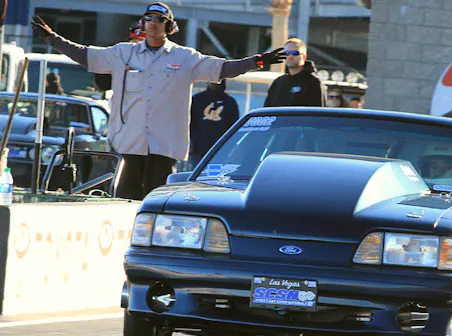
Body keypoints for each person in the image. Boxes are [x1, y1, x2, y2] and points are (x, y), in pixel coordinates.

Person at [31, 3, 285, 200]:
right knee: (123, 200)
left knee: (156, 203)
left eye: (159, 20)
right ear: (142, 23)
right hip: (128, 143)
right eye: (149, 19)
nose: (152, 23)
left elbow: (223, 68)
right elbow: (85, 55)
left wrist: (257, 61)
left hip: (164, 145)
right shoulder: (122, 52)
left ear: (170, 26)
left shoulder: (185, 57)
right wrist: (53, 39)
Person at [189, 80, 240, 167]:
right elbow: (189, 125)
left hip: (220, 152)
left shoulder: (230, 102)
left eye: (219, 80)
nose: (215, 82)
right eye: (213, 80)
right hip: (198, 152)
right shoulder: (197, 100)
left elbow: (234, 128)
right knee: (198, 174)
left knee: (214, 174)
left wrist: (230, 148)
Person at [264, 37, 325, 107]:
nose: (290, 56)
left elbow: (317, 111)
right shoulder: (277, 83)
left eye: (295, 53)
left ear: (304, 57)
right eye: (286, 53)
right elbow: (267, 110)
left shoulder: (314, 83)